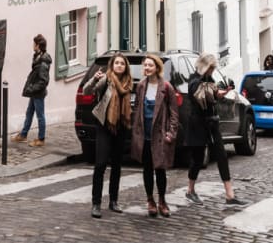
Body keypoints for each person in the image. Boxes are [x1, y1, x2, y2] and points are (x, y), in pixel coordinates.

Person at [185, 53, 247, 207]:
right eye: (210, 68)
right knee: (198, 160)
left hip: (212, 124)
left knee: (221, 156)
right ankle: (190, 190)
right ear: (204, 66)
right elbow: (197, 93)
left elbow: (212, 95)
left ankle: (229, 194)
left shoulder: (210, 80)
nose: (212, 71)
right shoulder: (194, 79)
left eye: (213, 68)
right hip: (198, 125)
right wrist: (211, 90)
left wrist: (221, 94)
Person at [83, 53, 133, 218]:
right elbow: (86, 90)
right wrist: (94, 79)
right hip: (105, 125)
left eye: (122, 63)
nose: (119, 65)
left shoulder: (128, 84)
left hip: (121, 127)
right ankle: (96, 203)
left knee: (117, 165)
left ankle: (113, 201)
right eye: (117, 63)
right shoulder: (106, 79)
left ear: (126, 67)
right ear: (112, 66)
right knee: (101, 164)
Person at [130, 54, 179, 218]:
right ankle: (150, 200)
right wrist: (135, 131)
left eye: (150, 65)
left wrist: (171, 133)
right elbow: (137, 109)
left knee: (160, 169)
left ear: (157, 67)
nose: (147, 68)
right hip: (145, 134)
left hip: (160, 135)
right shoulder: (141, 86)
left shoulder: (166, 87)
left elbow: (174, 114)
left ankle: (162, 201)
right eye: (145, 66)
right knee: (147, 169)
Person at [13, 34, 51, 147]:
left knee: (40, 116)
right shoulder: (37, 56)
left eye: (34, 43)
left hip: (38, 93)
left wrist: (32, 88)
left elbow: (44, 81)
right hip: (34, 92)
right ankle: (23, 135)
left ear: (38, 45)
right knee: (29, 113)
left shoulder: (43, 61)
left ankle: (41, 139)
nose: (32, 45)